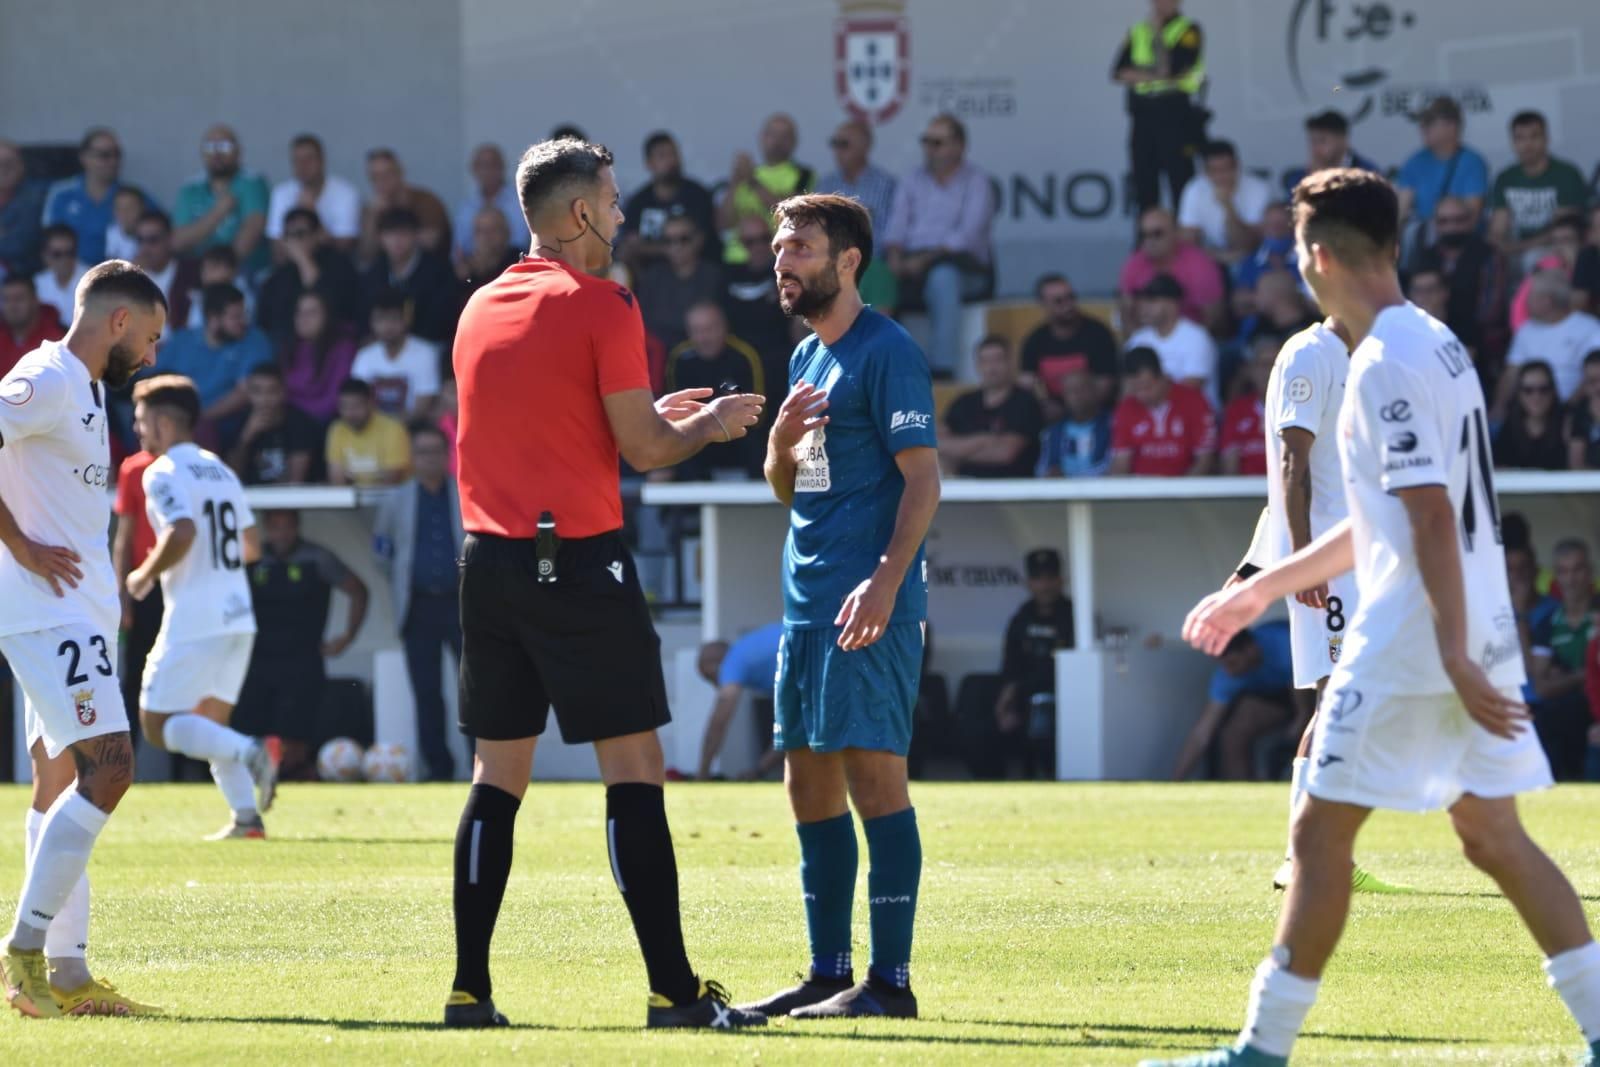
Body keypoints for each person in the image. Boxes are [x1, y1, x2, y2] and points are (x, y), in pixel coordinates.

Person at [1159, 168, 1600, 1067]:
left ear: (1316, 254)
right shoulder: (1437, 342)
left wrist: (1446, 650)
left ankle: (1260, 1047)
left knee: (1318, 833)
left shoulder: (1379, 363)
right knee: (1493, 836)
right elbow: (1385, 515)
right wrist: (1261, 588)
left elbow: (1429, 513)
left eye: (1295, 246)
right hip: (1466, 625)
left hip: (1413, 634)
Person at [445, 136, 765, 1030]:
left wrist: (654, 417)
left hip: (489, 562)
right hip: (578, 561)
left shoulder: (478, 306)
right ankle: (674, 992)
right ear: (581, 213)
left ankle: (469, 991)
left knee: (496, 775)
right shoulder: (605, 304)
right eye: (616, 201)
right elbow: (647, 451)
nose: (624, 215)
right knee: (634, 768)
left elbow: (553, 424)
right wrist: (707, 422)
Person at [746, 192, 939, 1021]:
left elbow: (924, 480)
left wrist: (889, 579)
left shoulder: (887, 350)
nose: (783, 260)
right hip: (807, 602)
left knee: (874, 778)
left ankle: (889, 982)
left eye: (802, 247)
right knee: (808, 783)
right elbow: (785, 487)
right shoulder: (804, 360)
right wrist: (780, 441)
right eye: (780, 246)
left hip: (868, 601)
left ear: (848, 261)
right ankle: (829, 970)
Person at [0, 260, 165, 1018]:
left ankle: (63, 973)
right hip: (48, 613)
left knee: (58, 779)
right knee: (113, 767)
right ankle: (25, 948)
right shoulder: (51, 375)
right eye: (154, 336)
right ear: (120, 322)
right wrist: (21, 547)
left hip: (77, 612)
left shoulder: (91, 388)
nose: (155, 356)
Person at [1226, 316, 1407, 893]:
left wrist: (1256, 562)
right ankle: (1304, 857)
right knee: (1338, 704)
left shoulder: (1373, 356)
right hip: (1327, 571)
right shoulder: (1308, 355)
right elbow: (1290, 469)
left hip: (1364, 561)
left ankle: (1319, 852)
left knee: (1360, 707)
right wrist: (1297, 560)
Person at [124, 374, 275, 838]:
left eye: (143, 420)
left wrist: (144, 575)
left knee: (154, 722)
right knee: (211, 723)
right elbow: (252, 544)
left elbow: (182, 531)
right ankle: (246, 818)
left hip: (195, 616)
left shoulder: (162, 471)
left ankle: (253, 750)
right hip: (237, 614)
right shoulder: (220, 469)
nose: (138, 430)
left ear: (166, 423)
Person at [234, 509, 367, 781]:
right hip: (257, 660)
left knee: (295, 736)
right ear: (266, 529)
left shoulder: (317, 558)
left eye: (287, 527)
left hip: (302, 659)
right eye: (275, 527)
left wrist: (348, 635)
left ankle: (292, 774)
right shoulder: (251, 558)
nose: (281, 534)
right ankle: (257, 777)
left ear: (296, 528)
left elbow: (358, 590)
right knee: (251, 730)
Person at [373, 421, 464, 782]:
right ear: (413, 457)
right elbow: (382, 551)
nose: (430, 459)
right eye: (422, 452)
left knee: (474, 691)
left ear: (447, 455)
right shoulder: (397, 500)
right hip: (419, 607)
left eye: (436, 451)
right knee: (427, 693)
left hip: (462, 605)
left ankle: (481, 765)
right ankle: (438, 768)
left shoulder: (463, 493)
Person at [882, 113, 995, 378]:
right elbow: (896, 226)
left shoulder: (977, 181)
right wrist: (895, 258)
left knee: (942, 278)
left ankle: (941, 369)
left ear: (959, 146)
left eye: (938, 142)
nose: (929, 149)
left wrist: (924, 261)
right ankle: (885, 368)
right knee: (874, 275)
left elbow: (967, 237)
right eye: (926, 141)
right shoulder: (912, 179)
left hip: (963, 266)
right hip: (911, 261)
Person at [1112, 0, 1206, 212]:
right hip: (1143, 115)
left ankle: (1184, 241)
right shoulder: (1138, 30)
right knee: (1144, 183)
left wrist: (1158, 36)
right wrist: (1156, 74)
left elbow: (1172, 69)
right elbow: (1119, 72)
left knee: (1180, 181)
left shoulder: (1189, 29)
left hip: (1175, 115)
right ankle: (1147, 241)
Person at [1170, 623, 1295, 781]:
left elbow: (1305, 710)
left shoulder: (1286, 645)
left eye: (1232, 663)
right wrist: (1176, 780)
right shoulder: (1227, 675)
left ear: (1250, 650)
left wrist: (1292, 738)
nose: (1229, 671)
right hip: (1274, 699)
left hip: (1314, 692)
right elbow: (1202, 733)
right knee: (1232, 735)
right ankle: (1245, 792)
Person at [989, 548, 1072, 779]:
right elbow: (1010, 664)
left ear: (1060, 580)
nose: (1044, 585)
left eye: (1049, 578)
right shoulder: (1022, 617)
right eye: (1038, 579)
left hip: (1061, 698)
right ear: (1029, 582)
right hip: (1023, 698)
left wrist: (1017, 690)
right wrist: (1005, 702)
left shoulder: (1073, 615)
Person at [661, 302, 764, 479]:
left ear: (724, 327)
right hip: (696, 437)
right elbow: (673, 415)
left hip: (738, 437)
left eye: (710, 328)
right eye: (697, 330)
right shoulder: (680, 359)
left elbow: (759, 412)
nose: (704, 337)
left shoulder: (743, 355)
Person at [1527, 539, 1598, 781]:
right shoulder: (1549, 623)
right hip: (1564, 716)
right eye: (1564, 571)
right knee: (1545, 718)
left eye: (1578, 569)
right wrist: (1585, 675)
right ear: (1555, 576)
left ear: (1590, 571)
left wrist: (1566, 676)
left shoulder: (1597, 615)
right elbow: (1542, 687)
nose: (1572, 579)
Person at [156, 283, 270, 430]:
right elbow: (155, 378)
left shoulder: (254, 340)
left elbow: (245, 391)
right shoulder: (182, 339)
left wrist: (200, 419)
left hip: (225, 422)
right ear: (213, 319)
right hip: (176, 418)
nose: (243, 321)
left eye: (244, 314)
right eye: (236, 317)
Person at [1412, 196, 1510, 364]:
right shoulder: (1426, 254)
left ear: (1472, 221)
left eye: (1459, 220)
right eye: (1444, 221)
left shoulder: (1489, 255)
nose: (1452, 227)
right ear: (1436, 224)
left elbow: (1490, 312)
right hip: (1430, 333)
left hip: (1475, 343)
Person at [1497, 270, 1600, 418]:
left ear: (1547, 300)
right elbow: (1511, 372)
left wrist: (1567, 410)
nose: (1525, 302)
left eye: (1530, 296)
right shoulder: (1525, 330)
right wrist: (1499, 407)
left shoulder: (1591, 329)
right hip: (1526, 413)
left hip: (1576, 413)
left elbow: (1593, 377)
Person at [937, 335, 1043, 478]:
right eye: (985, 361)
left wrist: (958, 451)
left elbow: (1005, 453)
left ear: (1011, 362)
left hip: (1014, 489)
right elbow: (937, 445)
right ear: (977, 365)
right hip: (966, 488)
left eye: (998, 360)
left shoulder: (1025, 401)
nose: (991, 368)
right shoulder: (962, 403)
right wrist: (984, 440)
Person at [172, 124, 270, 278]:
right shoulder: (189, 188)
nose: (217, 153)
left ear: (238, 151)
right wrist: (218, 213)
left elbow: (253, 229)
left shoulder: (252, 182)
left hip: (246, 269)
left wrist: (225, 268)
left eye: (224, 146)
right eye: (210, 147)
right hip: (199, 271)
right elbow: (178, 241)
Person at [1489, 111, 1589, 260]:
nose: (1527, 144)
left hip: (1555, 247)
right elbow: (1498, 228)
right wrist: (1499, 244)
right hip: (1515, 249)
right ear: (1513, 143)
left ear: (1546, 139)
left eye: (1534, 136)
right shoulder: (1505, 178)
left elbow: (1563, 230)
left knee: (1533, 257)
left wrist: (1517, 248)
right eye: (1520, 138)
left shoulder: (1567, 174)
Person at [256, 207, 363, 345]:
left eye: (300, 234)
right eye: (289, 235)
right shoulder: (277, 278)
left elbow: (333, 306)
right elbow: (267, 323)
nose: (294, 241)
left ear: (317, 235)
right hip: (289, 350)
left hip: (332, 345)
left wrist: (303, 260)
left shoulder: (338, 264)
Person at [717, 113, 813, 265]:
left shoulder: (804, 175)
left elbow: (790, 212)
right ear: (762, 138)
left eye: (785, 136)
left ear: (794, 142)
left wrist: (752, 182)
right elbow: (723, 224)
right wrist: (735, 183)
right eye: (772, 134)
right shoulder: (746, 174)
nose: (778, 141)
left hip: (778, 261)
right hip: (737, 261)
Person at [693, 621, 784, 781]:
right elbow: (790, 729)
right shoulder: (748, 649)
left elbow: (718, 723)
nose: (714, 685)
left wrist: (702, 772)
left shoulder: (732, 661)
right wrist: (758, 770)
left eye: (708, 677)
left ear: (714, 664)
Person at [1397, 96, 1491, 250]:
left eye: (1429, 123)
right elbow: (1400, 213)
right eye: (1422, 123)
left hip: (1460, 240)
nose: (1422, 127)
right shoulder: (1414, 162)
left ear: (1451, 126)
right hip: (1422, 239)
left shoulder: (1473, 163)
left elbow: (1470, 218)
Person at [1109, 345, 1215, 476]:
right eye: (1135, 389)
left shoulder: (1195, 402)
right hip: (1140, 489)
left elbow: (1205, 461)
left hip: (1187, 488)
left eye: (1147, 387)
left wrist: (1182, 492)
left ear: (1163, 377)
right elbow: (1120, 464)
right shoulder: (1126, 408)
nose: (1142, 395)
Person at [1018, 273, 1119, 410]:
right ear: (1043, 304)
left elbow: (1105, 387)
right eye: (1059, 301)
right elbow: (1026, 385)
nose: (1068, 305)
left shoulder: (1098, 334)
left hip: (1093, 412)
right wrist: (1043, 403)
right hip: (1052, 415)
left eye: (1071, 297)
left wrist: (1072, 409)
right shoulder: (1035, 340)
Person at [618, 132, 716, 272]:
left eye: (674, 154)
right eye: (662, 156)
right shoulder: (638, 202)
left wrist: (649, 248)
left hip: (693, 276)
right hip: (649, 278)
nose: (671, 160)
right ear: (649, 163)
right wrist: (670, 248)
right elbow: (631, 244)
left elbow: (699, 241)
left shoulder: (697, 195)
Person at [361, 207, 459, 347]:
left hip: (429, 347)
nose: (397, 240)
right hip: (382, 347)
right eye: (390, 234)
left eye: (404, 233)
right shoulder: (373, 274)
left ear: (416, 235)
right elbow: (365, 317)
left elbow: (442, 319)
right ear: (380, 238)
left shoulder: (439, 271)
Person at [1119, 207, 1225, 331]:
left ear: (1175, 232)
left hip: (1191, 339)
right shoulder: (1134, 263)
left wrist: (1178, 342)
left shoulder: (1200, 265)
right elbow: (1126, 313)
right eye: (1143, 235)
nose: (1149, 240)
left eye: (1157, 234)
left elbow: (1214, 319)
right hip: (1147, 338)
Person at [635, 215, 724, 354]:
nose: (675, 246)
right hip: (658, 355)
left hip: (700, 354)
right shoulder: (652, 276)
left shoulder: (714, 276)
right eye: (668, 241)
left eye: (684, 239)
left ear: (698, 239)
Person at [41, 128, 130, 265]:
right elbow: (49, 241)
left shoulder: (130, 197)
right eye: (104, 155)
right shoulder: (61, 194)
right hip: (71, 276)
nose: (113, 161)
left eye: (117, 155)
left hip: (115, 277)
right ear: (84, 157)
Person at [1125, 273, 1217, 403]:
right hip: (1148, 415)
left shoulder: (1196, 337)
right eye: (1141, 301)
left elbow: (1191, 388)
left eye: (1152, 300)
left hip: (1191, 415)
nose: (1143, 307)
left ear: (1173, 303)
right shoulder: (1137, 339)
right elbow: (1128, 387)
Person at [225, 362, 321, 485]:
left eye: (272, 391)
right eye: (257, 391)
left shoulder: (300, 424)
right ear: (249, 394)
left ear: (283, 392)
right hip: (252, 498)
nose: (264, 399)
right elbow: (231, 478)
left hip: (293, 500)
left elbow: (296, 481)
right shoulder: (240, 422)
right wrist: (246, 438)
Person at [350, 288, 441, 417]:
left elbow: (422, 407)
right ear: (372, 322)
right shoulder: (364, 356)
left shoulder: (425, 354)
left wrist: (393, 432)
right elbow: (356, 401)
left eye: (393, 318)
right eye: (380, 319)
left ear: (406, 319)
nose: (387, 326)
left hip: (412, 430)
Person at [1178, 140, 1272, 265]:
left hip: (1250, 257)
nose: (1221, 176)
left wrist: (1228, 206)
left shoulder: (1258, 189)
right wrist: (1218, 257)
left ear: (1237, 166)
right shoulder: (1194, 189)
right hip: (1209, 257)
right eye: (1214, 170)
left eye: (1226, 169)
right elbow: (1188, 240)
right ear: (1205, 172)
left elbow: (1249, 243)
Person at [265, 134, 362, 253]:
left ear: (322, 161)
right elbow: (276, 248)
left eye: (308, 159)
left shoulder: (346, 193)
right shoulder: (281, 193)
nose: (303, 165)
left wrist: (312, 214)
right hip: (291, 265)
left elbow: (344, 248)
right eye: (297, 160)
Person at [280, 289, 359, 423]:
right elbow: (281, 392)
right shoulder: (290, 346)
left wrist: (293, 408)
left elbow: (333, 402)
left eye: (312, 313)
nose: (304, 319)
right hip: (291, 420)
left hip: (323, 423)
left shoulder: (343, 348)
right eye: (299, 312)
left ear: (327, 316)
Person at [359, 148, 451, 261]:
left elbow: (431, 243)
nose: (381, 181)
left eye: (387, 174)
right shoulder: (372, 208)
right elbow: (366, 256)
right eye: (375, 177)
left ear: (400, 172)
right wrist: (372, 218)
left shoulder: (426, 201)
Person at [325, 377, 410, 487]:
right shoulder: (337, 429)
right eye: (344, 406)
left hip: (389, 499)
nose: (350, 413)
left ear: (371, 403)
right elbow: (336, 479)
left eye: (356, 406)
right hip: (350, 499)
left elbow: (392, 479)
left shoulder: (393, 428)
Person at [816, 120, 896, 233]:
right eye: (835, 144)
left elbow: (891, 234)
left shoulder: (886, 185)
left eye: (844, 144)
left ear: (865, 147)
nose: (838, 151)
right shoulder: (825, 184)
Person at [453, 144, 530, 261]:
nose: (488, 170)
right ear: (473, 169)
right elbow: (459, 249)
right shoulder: (465, 208)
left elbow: (521, 244)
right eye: (482, 165)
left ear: (503, 166)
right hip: (475, 268)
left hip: (513, 263)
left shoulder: (521, 201)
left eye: (493, 164)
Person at [1282, 110, 1380, 195]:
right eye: (1312, 141)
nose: (1316, 148)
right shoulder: (1300, 178)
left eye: (1322, 141)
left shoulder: (1367, 174)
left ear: (1342, 141)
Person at [1037, 368, 1112, 477]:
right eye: (1070, 390)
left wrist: (1070, 479)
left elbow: (1112, 467)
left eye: (1082, 388)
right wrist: (1049, 473)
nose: (1077, 395)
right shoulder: (1052, 432)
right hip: (1062, 493)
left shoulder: (1112, 425)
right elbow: (1041, 469)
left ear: (1095, 391)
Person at [1494, 360, 1568, 470]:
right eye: (1528, 390)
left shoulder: (1567, 424)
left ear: (1553, 392)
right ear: (1519, 394)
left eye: (1543, 389)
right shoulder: (1508, 427)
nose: (1536, 397)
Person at [1218, 338, 1272, 475]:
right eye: (1262, 364)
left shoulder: (1299, 408)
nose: (1269, 371)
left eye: (1274, 364)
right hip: (1246, 490)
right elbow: (1229, 464)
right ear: (1251, 370)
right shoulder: (1236, 410)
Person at [0, 276, 64, 378]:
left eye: (19, 299)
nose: (12, 306)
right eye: (6, 299)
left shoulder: (58, 340)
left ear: (35, 300)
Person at [0, 138, 46, 277]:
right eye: (0, 164)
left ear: (21, 166)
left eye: (9, 164)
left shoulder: (35, 197)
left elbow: (20, 245)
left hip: (22, 277)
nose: (4, 169)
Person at [33, 225, 89, 328]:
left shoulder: (91, 280)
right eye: (57, 254)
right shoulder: (38, 284)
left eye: (70, 253)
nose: (64, 259)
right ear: (45, 256)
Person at [455, 208, 519, 293]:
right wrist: (466, 278)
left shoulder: (518, 262)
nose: (485, 236)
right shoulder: (467, 267)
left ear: (506, 232)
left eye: (492, 230)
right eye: (480, 231)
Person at [1566, 350, 1600, 470]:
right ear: (1584, 385)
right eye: (1593, 381)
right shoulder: (1579, 415)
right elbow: (1576, 465)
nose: (1598, 387)